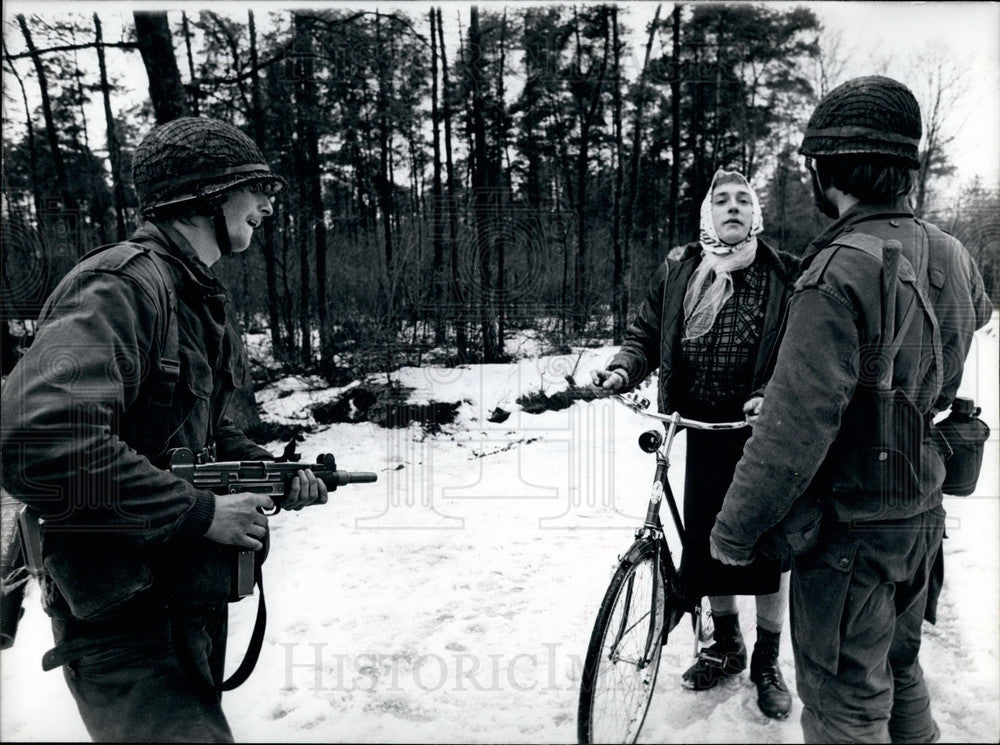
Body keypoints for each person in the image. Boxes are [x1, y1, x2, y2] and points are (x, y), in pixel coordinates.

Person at [0, 117, 328, 742]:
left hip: (177, 602)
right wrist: (200, 514)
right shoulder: (121, 287)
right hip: (125, 616)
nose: (268, 202)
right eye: (255, 186)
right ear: (206, 195)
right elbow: (39, 443)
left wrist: (272, 471)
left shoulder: (191, 294)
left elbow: (193, 434)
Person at [709, 76, 991, 743]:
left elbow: (794, 428)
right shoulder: (951, 251)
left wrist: (733, 529)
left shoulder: (833, 270)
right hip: (920, 513)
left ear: (828, 168)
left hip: (850, 533)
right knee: (900, 669)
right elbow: (971, 319)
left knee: (844, 706)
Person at [591, 168, 801, 719]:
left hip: (759, 434)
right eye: (721, 200)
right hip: (698, 428)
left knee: (765, 549)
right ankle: (727, 645)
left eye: (743, 201)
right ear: (708, 215)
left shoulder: (783, 274)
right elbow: (647, 333)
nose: (732, 208)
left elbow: (795, 350)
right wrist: (622, 369)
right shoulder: (681, 268)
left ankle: (767, 662)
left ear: (755, 215)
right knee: (709, 546)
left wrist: (765, 395)